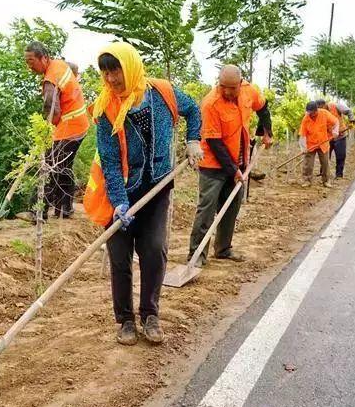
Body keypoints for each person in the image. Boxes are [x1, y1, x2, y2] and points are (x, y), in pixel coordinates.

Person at [84, 42, 202, 346]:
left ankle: (150, 314)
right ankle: (125, 320)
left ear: (131, 67)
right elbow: (110, 160)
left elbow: (193, 110)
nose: (110, 78)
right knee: (120, 258)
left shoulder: (162, 92)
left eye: (116, 70)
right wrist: (120, 201)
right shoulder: (105, 108)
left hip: (159, 186)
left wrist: (193, 140)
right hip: (120, 189)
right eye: (105, 72)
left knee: (154, 250)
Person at [188, 65, 272, 266]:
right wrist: (233, 170)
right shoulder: (210, 103)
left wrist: (266, 131)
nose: (227, 91)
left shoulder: (249, 91)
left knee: (231, 207)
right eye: (223, 86)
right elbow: (215, 143)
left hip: (239, 159)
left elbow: (263, 108)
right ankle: (196, 255)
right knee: (207, 209)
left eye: (232, 88)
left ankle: (223, 249)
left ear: (240, 84)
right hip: (213, 164)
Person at [23, 41, 89, 219]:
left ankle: (37, 211)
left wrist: (47, 133)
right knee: (63, 167)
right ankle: (65, 208)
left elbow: (52, 108)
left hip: (70, 127)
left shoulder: (50, 81)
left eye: (31, 61)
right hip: (80, 123)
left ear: (43, 58)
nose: (29, 66)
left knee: (51, 166)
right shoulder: (59, 64)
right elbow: (73, 69)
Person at [299, 101, 338, 188]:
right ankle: (307, 180)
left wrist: (335, 131)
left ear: (316, 110)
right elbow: (302, 135)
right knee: (308, 164)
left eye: (311, 113)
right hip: (311, 145)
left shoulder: (324, 113)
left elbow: (336, 122)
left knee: (325, 163)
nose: (310, 114)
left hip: (323, 143)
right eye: (308, 112)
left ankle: (326, 181)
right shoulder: (306, 118)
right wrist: (303, 147)